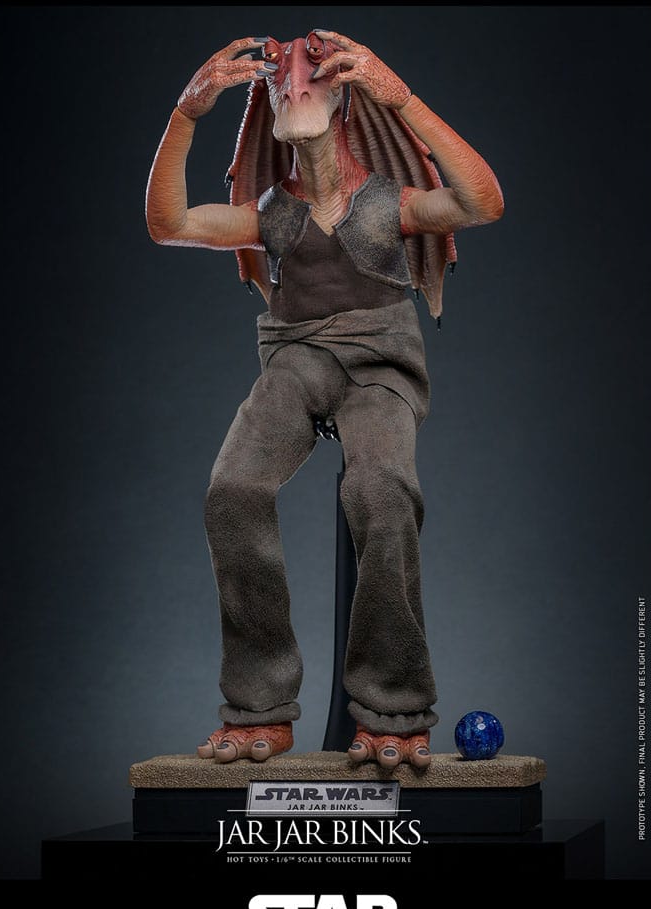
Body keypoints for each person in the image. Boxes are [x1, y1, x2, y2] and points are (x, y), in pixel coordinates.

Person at [145, 29, 503, 769]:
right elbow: (169, 223)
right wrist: (186, 113)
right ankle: (258, 708)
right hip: (298, 359)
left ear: (342, 95)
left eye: (312, 76)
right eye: (281, 81)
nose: (294, 86)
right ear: (269, 101)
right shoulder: (272, 212)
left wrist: (400, 96)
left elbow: (482, 202)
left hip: (380, 366)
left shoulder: (385, 203)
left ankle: (393, 709)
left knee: (381, 491)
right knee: (233, 490)